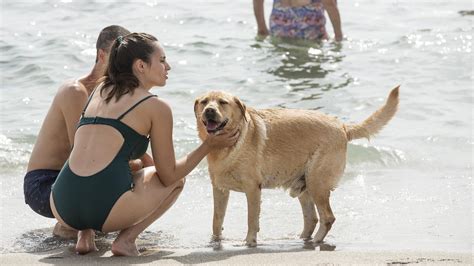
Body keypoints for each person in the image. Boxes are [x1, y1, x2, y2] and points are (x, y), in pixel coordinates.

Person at [49, 32, 239, 256]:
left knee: (105, 164)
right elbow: (168, 175)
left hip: (62, 204)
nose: (168, 66)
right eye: (162, 60)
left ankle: (85, 235)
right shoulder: (156, 107)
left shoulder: (100, 90)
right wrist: (209, 145)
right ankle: (126, 241)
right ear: (140, 65)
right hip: (103, 211)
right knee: (177, 181)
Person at [24, 25, 132, 239]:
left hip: (72, 179)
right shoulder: (75, 91)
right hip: (43, 185)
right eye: (117, 56)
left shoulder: (108, 95)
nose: (122, 65)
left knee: (143, 173)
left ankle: (85, 223)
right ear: (102, 55)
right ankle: (70, 224)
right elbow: (83, 155)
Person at [253, 0, 343, 41]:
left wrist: (262, 28)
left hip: (280, 24)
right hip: (310, 28)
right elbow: (330, 4)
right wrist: (338, 35)